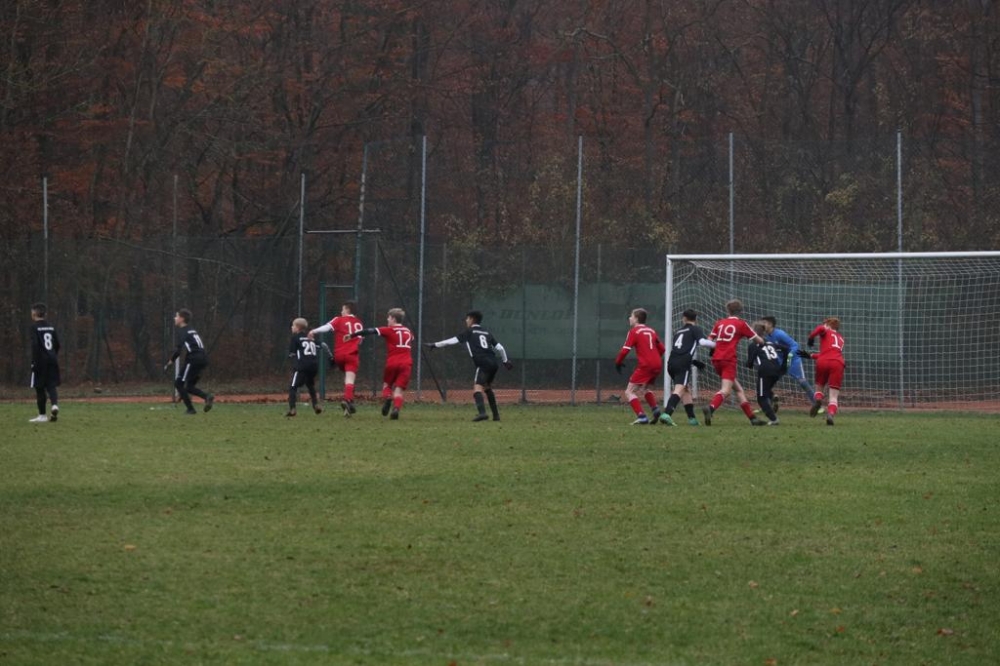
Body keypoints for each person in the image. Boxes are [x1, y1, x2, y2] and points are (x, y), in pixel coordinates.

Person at [424, 310, 514, 422]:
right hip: (493, 363)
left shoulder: (470, 332)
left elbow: (452, 341)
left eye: (467, 318)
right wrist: (505, 361)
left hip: (482, 363)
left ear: (472, 319)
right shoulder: (487, 332)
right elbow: (500, 348)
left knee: (477, 388)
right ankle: (496, 416)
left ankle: (482, 414)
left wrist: (435, 345)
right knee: (487, 387)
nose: (466, 321)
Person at [702, 299, 767, 426]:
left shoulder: (719, 323)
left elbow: (709, 340)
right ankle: (710, 408)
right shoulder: (742, 324)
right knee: (725, 390)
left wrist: (717, 346)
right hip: (728, 359)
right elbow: (758, 340)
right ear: (740, 311)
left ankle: (753, 419)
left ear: (728, 310)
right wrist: (764, 342)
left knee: (738, 390)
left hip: (716, 359)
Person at [347, 308, 413, 420]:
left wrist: (352, 335)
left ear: (393, 318)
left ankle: (388, 398)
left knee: (387, 385)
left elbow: (370, 330)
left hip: (392, 362)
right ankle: (396, 409)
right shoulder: (409, 332)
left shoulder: (389, 330)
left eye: (388, 317)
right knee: (399, 390)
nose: (387, 320)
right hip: (406, 363)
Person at [657, 309, 713, 426]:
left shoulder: (678, 331)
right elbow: (702, 342)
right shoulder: (695, 329)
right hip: (683, 364)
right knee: (679, 389)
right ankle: (667, 413)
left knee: (686, 390)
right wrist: (717, 345)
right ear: (696, 319)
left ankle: (692, 419)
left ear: (684, 318)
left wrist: (694, 362)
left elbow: (680, 350)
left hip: (671, 363)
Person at [309, 301, 363, 417]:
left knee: (347, 380)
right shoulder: (359, 323)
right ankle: (348, 400)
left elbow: (327, 327)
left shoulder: (338, 320)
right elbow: (361, 340)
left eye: (343, 309)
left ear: (348, 310)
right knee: (350, 380)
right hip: (352, 355)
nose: (341, 311)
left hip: (339, 355)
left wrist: (314, 331)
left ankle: (348, 409)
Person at [614, 308, 666, 425]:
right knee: (644, 388)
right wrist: (654, 358)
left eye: (631, 316)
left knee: (629, 391)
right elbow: (662, 349)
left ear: (636, 319)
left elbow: (625, 350)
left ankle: (641, 416)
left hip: (646, 365)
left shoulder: (634, 331)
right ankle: (655, 409)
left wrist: (618, 362)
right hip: (657, 363)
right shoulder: (651, 331)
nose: (629, 318)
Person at [761, 315, 820, 413]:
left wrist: (790, 356)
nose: (762, 325)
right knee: (768, 382)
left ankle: (817, 405)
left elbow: (795, 345)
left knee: (802, 382)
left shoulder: (780, 334)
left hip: (793, 360)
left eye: (764, 323)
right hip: (780, 362)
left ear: (771, 324)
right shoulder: (766, 336)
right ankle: (768, 404)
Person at [164, 308, 214, 415]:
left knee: (178, 383)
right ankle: (206, 397)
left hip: (193, 360)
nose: (175, 318)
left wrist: (170, 361)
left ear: (182, 319)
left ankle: (191, 409)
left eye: (176, 316)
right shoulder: (192, 330)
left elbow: (178, 350)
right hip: (203, 359)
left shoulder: (183, 332)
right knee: (189, 387)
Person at [798, 317, 846, 426]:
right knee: (833, 395)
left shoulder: (825, 329)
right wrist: (811, 355)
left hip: (823, 361)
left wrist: (811, 338)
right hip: (838, 363)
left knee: (819, 386)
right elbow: (831, 353)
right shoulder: (841, 339)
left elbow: (820, 328)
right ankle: (830, 414)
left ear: (828, 325)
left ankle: (818, 400)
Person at [746, 322, 790, 426]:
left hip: (765, 371)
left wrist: (749, 363)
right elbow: (786, 349)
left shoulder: (753, 345)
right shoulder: (770, 343)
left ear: (753, 333)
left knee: (761, 397)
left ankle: (774, 419)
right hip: (776, 370)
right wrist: (784, 366)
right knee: (765, 390)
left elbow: (749, 363)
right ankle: (773, 396)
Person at [28, 303, 61, 423]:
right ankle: (54, 405)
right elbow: (57, 344)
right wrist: (52, 355)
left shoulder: (34, 327)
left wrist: (35, 361)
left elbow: (35, 345)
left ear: (34, 313)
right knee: (51, 385)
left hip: (40, 360)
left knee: (39, 387)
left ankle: (42, 415)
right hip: (52, 359)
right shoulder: (51, 327)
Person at [286, 318, 322, 417]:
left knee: (293, 387)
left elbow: (292, 353)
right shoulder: (310, 337)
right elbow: (319, 346)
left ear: (297, 328)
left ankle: (292, 409)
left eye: (293, 326)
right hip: (314, 366)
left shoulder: (295, 338)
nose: (292, 327)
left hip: (302, 366)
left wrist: (291, 358)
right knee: (310, 386)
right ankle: (316, 405)